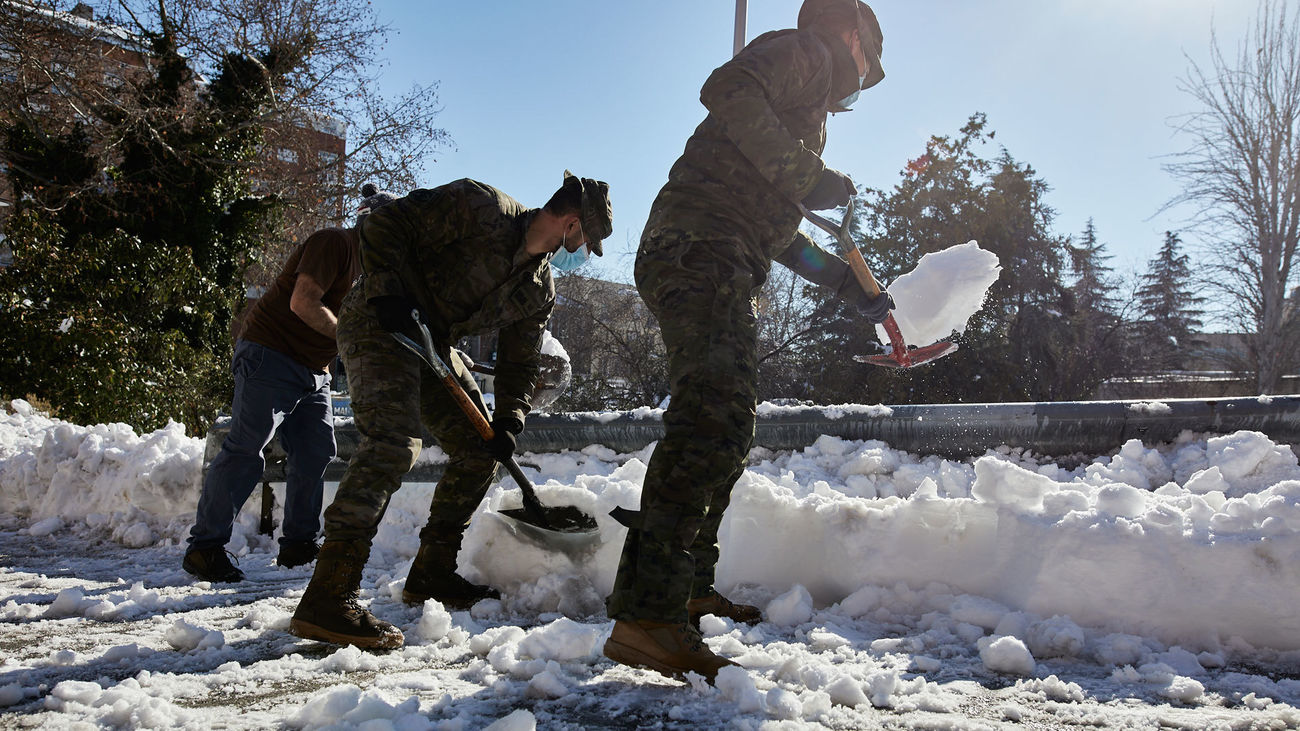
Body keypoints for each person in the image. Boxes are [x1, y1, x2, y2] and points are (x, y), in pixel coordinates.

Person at [602, 0, 895, 682]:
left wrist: (841, 282)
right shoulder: (806, 53)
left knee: (726, 422)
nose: (861, 79)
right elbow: (724, 87)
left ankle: (681, 588)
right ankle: (648, 616)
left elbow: (779, 232)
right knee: (709, 416)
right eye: (868, 60)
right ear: (851, 34)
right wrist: (806, 174)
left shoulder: (804, 112)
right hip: (699, 245)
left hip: (718, 248)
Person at [289, 172, 613, 649]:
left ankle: (432, 573)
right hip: (380, 321)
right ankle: (328, 596)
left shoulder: (538, 288)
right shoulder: (480, 206)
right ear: (570, 223)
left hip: (431, 345)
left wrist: (509, 420)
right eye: (585, 241)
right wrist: (386, 291)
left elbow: (520, 363)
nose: (581, 253)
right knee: (393, 445)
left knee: (481, 451)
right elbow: (384, 224)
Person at [182, 185, 397, 582]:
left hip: (314, 371)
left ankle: (298, 543)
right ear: (372, 224)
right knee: (247, 448)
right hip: (270, 354)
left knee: (316, 450)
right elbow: (303, 302)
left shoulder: (371, 272)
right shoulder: (335, 243)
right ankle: (205, 548)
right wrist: (348, 340)